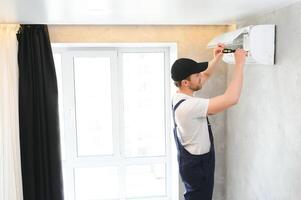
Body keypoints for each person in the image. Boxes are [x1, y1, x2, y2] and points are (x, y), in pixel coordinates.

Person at [171, 44, 247, 200]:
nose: (201, 76)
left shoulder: (180, 95)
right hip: (197, 167)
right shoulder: (188, 106)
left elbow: (204, 76)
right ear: (186, 82)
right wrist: (239, 64)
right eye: (196, 74)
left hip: (195, 163)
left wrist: (217, 58)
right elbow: (231, 99)